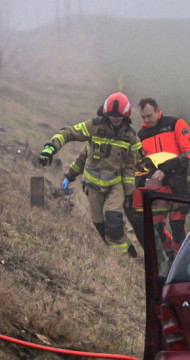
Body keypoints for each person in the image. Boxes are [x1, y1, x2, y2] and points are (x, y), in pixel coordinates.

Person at [40, 92, 143, 256]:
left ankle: (125, 257)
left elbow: (130, 167)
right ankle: (124, 249)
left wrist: (130, 193)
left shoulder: (131, 137)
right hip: (92, 185)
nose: (115, 120)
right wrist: (51, 148)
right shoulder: (93, 126)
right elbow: (69, 133)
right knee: (100, 224)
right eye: (111, 116)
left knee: (114, 219)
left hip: (115, 185)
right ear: (105, 114)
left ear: (126, 116)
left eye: (118, 117)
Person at [136, 97, 190, 244]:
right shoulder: (140, 136)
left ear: (158, 111)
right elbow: (140, 165)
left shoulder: (175, 124)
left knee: (178, 228)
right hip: (156, 188)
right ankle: (168, 257)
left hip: (177, 184)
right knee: (156, 229)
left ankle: (179, 259)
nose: (147, 120)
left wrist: (166, 168)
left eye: (149, 115)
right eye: (143, 117)